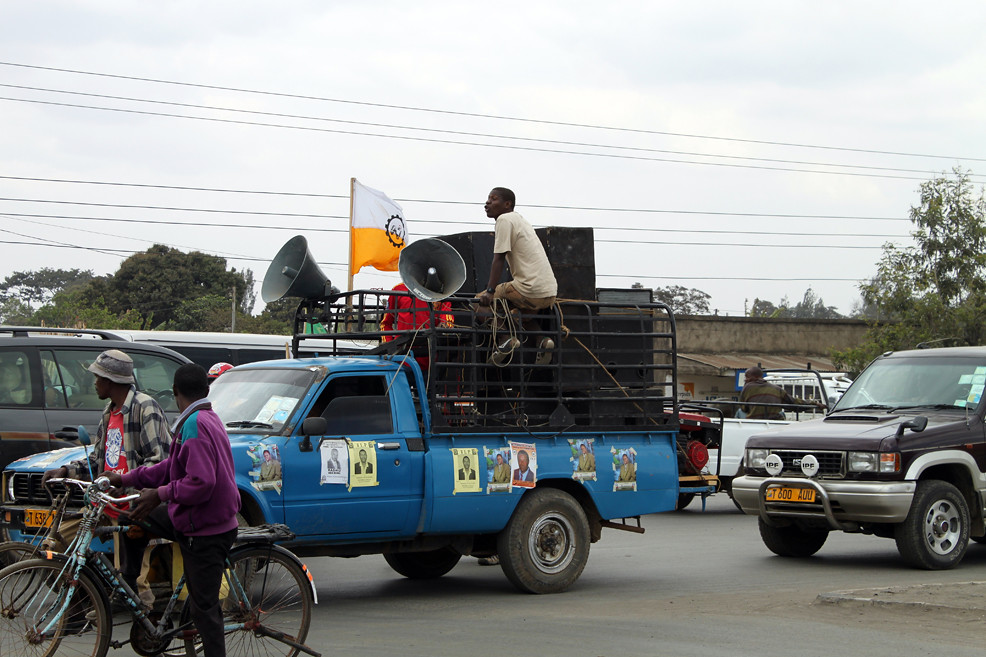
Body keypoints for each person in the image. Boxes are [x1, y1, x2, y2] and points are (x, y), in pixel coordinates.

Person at [106, 363, 239, 657]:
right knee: (134, 515)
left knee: (206, 611)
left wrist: (160, 494)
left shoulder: (196, 424)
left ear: (175, 392)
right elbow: (171, 466)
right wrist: (128, 479)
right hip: (191, 516)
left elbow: (201, 483)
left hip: (207, 527)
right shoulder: (201, 417)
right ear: (207, 390)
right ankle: (129, 585)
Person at [42, 349, 170, 605]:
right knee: (58, 541)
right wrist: (66, 470)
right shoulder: (108, 413)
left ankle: (146, 624)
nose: (94, 383)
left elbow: (160, 461)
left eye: (98, 378)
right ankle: (90, 600)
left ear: (111, 381)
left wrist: (124, 482)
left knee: (135, 579)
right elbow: (96, 459)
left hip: (134, 504)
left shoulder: (145, 408)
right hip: (107, 501)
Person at [476, 187, 558, 364]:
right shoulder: (520, 220)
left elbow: (498, 259)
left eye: (493, 199)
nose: (487, 202)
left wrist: (489, 292)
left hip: (528, 288)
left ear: (507, 204)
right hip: (548, 291)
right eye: (488, 199)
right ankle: (543, 341)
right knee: (518, 315)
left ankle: (505, 339)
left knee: (477, 302)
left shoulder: (504, 219)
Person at [379, 282, 453, 370]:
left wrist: (444, 326)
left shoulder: (441, 291)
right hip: (401, 360)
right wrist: (390, 347)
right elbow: (386, 323)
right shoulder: (398, 289)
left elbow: (447, 321)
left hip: (428, 360)